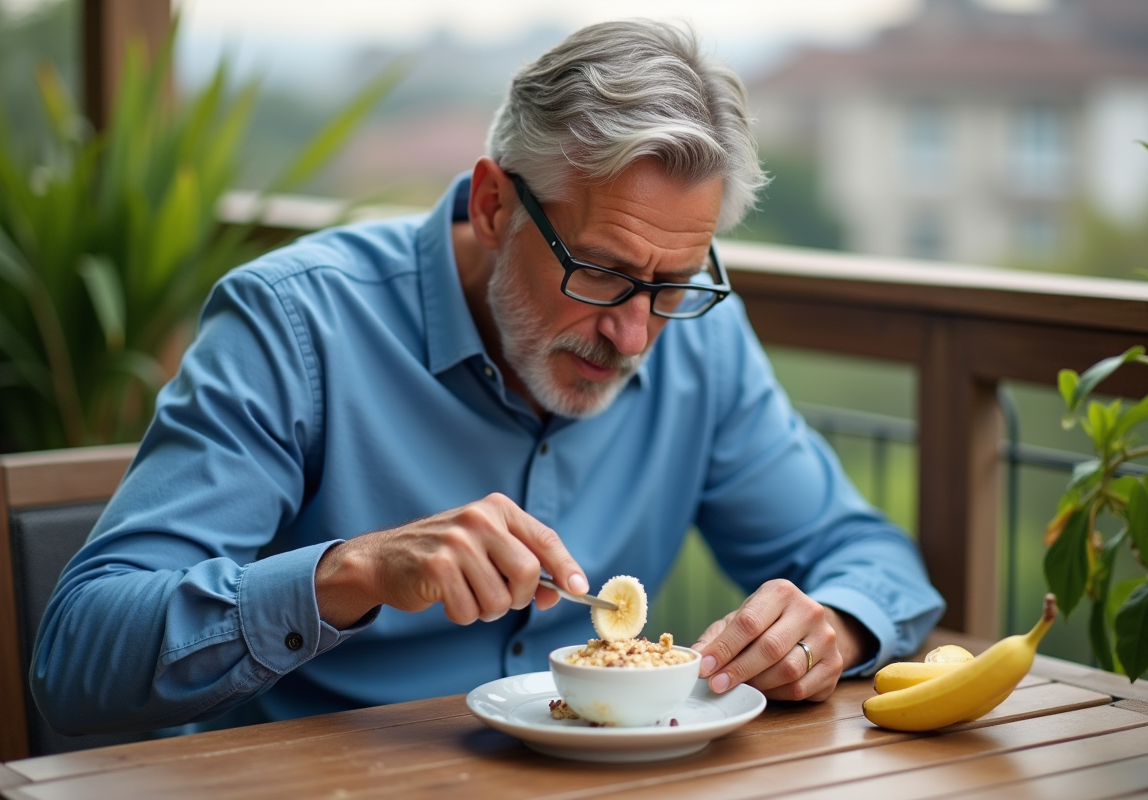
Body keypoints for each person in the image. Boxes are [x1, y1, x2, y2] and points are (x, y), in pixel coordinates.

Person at [32, 19, 944, 736]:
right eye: (601, 272)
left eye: (671, 284)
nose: (633, 332)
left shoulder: (698, 338)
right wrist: (349, 574)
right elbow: (76, 660)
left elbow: (873, 563)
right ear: (494, 201)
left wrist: (834, 624)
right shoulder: (295, 323)